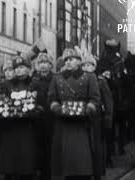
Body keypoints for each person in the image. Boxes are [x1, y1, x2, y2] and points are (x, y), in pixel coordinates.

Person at [48, 48, 101, 180]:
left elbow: (95, 98)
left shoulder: (90, 77)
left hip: (82, 125)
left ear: (79, 61)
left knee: (83, 161)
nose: (68, 62)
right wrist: (57, 109)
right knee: (65, 163)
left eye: (71, 59)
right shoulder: (57, 78)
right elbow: (51, 98)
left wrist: (88, 109)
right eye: (66, 60)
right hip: (63, 124)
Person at [0, 56, 44, 180]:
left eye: (22, 67)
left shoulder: (35, 83)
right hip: (10, 127)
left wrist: (35, 110)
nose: (18, 70)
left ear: (29, 69)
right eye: (16, 68)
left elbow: (42, 104)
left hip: (28, 128)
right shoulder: (7, 84)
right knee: (10, 165)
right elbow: (1, 101)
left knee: (26, 165)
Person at [81, 54, 114, 179]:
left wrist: (107, 120)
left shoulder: (101, 81)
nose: (86, 68)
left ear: (94, 67)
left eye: (89, 65)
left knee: (97, 148)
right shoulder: (80, 80)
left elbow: (108, 102)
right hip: (83, 118)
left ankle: (97, 173)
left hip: (97, 120)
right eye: (84, 65)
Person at [31, 52, 55, 180]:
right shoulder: (34, 81)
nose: (43, 66)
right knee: (38, 147)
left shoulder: (56, 79)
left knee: (50, 148)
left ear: (51, 65)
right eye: (40, 63)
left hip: (52, 119)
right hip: (37, 119)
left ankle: (48, 173)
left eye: (46, 63)